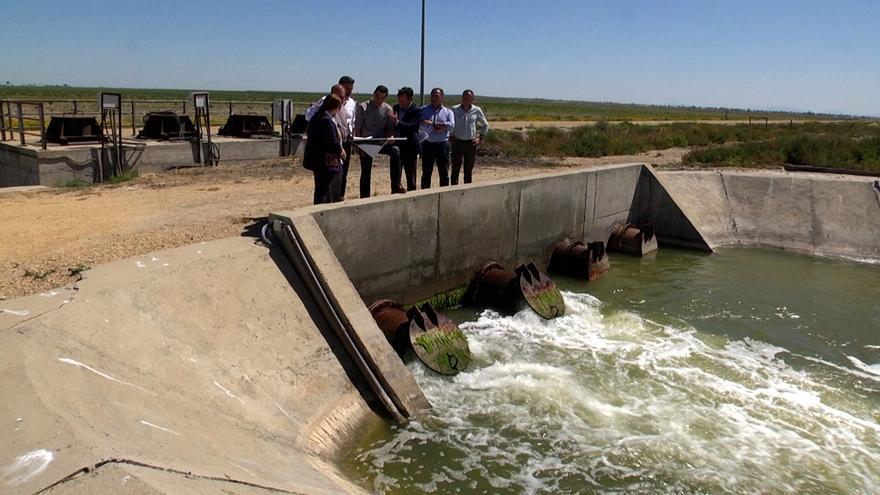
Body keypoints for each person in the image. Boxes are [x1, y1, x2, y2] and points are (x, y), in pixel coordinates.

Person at [306, 76, 357, 198]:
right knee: (326, 180)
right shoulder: (324, 112)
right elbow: (309, 115)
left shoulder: (350, 104)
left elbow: (352, 122)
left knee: (339, 175)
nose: (346, 94)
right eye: (345, 90)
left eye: (350, 90)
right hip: (327, 149)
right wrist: (339, 149)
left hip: (343, 142)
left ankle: (339, 197)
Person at [353, 85, 400, 197]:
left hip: (380, 141)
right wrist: (359, 146)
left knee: (395, 151)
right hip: (366, 143)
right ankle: (365, 197)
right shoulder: (362, 107)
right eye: (377, 97)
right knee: (366, 171)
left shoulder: (388, 109)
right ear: (373, 94)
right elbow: (357, 128)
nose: (379, 100)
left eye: (382, 98)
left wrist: (391, 137)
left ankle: (396, 186)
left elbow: (390, 129)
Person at [303, 94, 346, 204]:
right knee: (325, 190)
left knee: (321, 189)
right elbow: (331, 141)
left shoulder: (317, 116)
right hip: (325, 161)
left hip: (317, 159)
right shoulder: (325, 120)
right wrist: (340, 151)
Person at [451, 89, 490, 185]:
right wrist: (449, 136)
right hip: (457, 143)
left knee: (468, 169)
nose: (465, 99)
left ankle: (467, 189)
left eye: (468, 98)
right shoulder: (454, 109)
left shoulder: (477, 110)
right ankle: (453, 189)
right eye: (464, 97)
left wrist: (479, 138)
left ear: (472, 99)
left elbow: (485, 125)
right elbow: (449, 124)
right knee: (455, 168)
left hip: (470, 143)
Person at [419, 87, 455, 189]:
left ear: (442, 97)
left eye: (436, 96)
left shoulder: (448, 112)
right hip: (427, 144)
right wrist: (441, 127)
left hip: (442, 145)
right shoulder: (423, 110)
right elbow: (420, 125)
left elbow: (451, 126)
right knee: (426, 172)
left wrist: (433, 124)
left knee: (444, 172)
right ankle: (424, 195)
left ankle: (444, 195)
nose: (434, 98)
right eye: (432, 96)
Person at [392, 87, 422, 192]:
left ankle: (412, 197)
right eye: (399, 100)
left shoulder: (416, 110)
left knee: (411, 176)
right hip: (397, 146)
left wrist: (398, 123)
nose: (400, 103)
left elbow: (413, 126)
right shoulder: (395, 108)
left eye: (403, 101)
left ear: (410, 99)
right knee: (396, 175)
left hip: (410, 147)